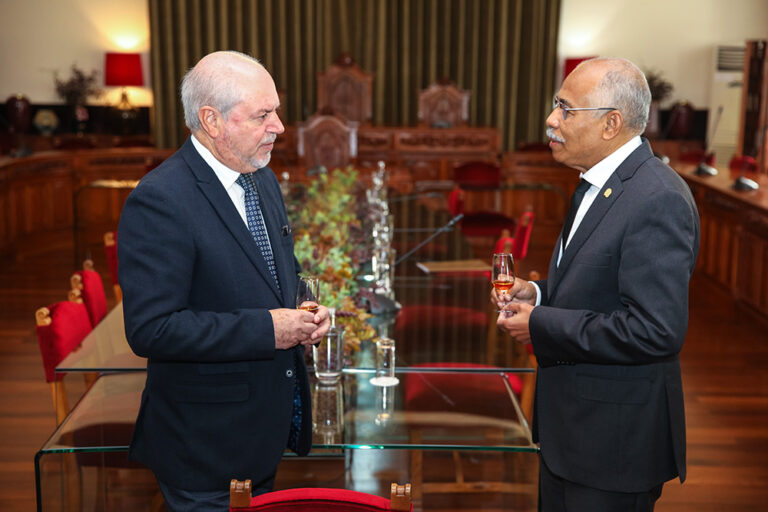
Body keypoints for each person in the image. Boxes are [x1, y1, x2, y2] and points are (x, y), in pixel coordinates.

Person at [118, 51, 330, 510]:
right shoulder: (160, 200)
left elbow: (271, 277)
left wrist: (304, 314)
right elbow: (152, 329)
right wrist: (269, 329)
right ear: (211, 120)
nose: (280, 126)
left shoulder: (260, 177)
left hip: (261, 434)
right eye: (263, 114)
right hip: (204, 448)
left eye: (276, 110)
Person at [494, 57, 700, 511]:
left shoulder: (656, 198)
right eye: (556, 106)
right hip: (573, 433)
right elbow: (600, 285)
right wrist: (541, 293)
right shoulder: (598, 183)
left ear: (611, 124)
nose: (551, 120)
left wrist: (541, 325)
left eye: (566, 109)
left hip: (613, 446)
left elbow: (655, 330)